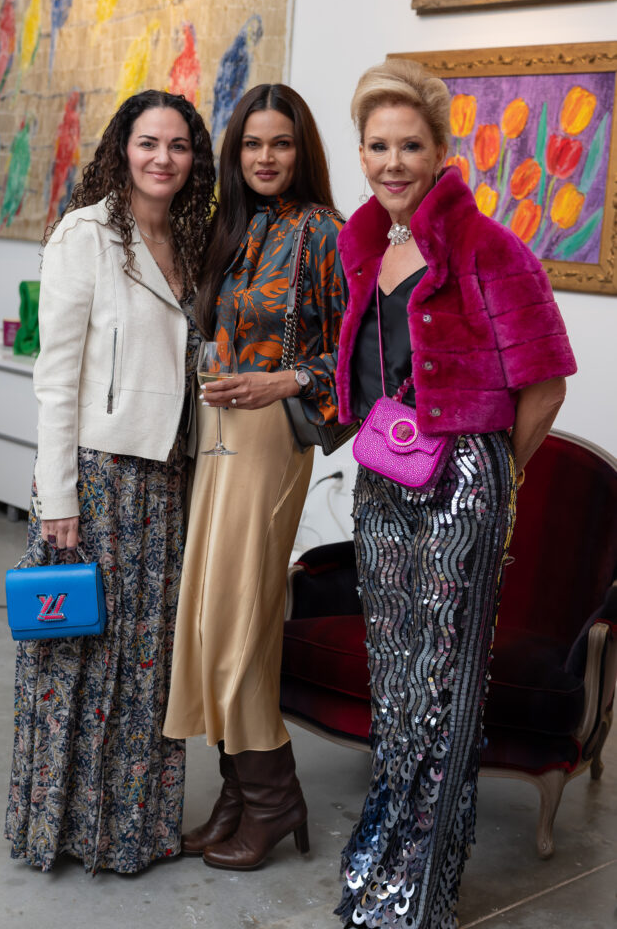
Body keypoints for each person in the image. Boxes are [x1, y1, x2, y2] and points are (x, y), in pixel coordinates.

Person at [333, 59, 577, 927]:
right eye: (376, 145)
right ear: (360, 152)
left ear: (441, 150)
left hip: (460, 484)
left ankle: (421, 890)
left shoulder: (489, 249)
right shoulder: (363, 244)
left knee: (443, 685)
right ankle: (384, 849)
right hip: (382, 479)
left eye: (409, 145)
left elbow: (544, 383)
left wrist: (488, 480)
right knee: (394, 680)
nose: (392, 162)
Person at [4, 89, 216, 874]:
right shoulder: (84, 234)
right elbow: (55, 379)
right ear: (122, 149)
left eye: (179, 146)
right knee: (78, 660)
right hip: (95, 479)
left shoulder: (191, 240)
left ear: (195, 159)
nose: (163, 158)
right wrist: (53, 497)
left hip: (164, 482)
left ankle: (134, 831)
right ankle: (62, 831)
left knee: (146, 664)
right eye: (148, 142)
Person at [163, 83, 346, 869]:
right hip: (213, 438)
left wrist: (286, 380)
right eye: (252, 145)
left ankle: (275, 800)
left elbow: (363, 358)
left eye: (280, 143)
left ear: (301, 150)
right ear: (236, 154)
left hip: (272, 440)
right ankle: (238, 795)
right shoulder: (226, 231)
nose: (266, 158)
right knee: (206, 619)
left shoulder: (328, 235)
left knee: (239, 622)